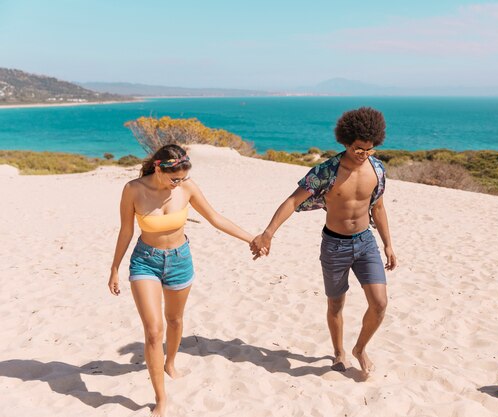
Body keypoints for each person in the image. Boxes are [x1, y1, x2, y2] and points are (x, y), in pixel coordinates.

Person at [108, 144, 260, 417]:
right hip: (145, 262)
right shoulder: (133, 189)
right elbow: (126, 230)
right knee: (154, 331)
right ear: (158, 167)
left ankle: (171, 362)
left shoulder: (187, 188)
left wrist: (252, 238)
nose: (178, 183)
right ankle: (161, 398)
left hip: (180, 260)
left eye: (182, 178)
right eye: (174, 178)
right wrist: (114, 267)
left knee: (175, 320)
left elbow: (215, 218)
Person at [250, 107, 397, 378]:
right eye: (358, 148)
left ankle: (360, 348)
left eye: (369, 149)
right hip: (335, 245)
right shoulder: (327, 171)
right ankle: (339, 351)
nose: (363, 154)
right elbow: (293, 201)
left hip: (366, 243)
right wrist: (268, 232)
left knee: (380, 302)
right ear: (345, 141)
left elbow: (378, 207)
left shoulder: (377, 169)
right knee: (335, 305)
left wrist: (388, 244)